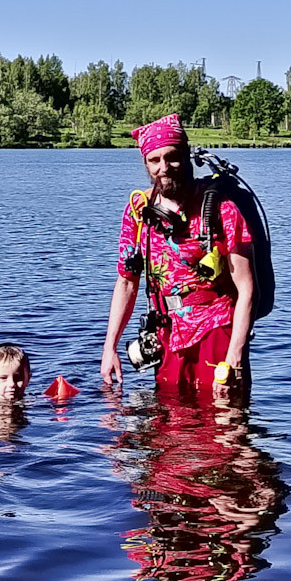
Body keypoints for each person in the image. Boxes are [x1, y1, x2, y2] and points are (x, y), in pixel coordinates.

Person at [100, 114, 255, 396]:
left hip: (217, 331)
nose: (164, 167)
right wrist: (110, 347)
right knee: (170, 429)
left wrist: (235, 355)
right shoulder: (138, 213)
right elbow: (126, 283)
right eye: (154, 160)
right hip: (167, 337)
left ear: (185, 155)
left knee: (225, 429)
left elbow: (247, 289)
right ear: (145, 163)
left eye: (172, 157)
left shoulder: (221, 210)